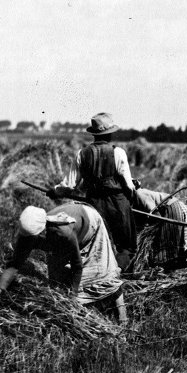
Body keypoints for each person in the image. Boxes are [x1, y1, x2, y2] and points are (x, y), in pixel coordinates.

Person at [0, 189, 128, 322]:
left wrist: (72, 297)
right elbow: (14, 265)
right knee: (57, 282)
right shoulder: (27, 233)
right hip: (65, 233)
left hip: (90, 223)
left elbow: (77, 265)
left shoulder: (62, 232)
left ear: (42, 232)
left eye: (33, 238)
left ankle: (121, 315)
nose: (29, 241)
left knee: (100, 274)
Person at [61, 112, 139, 267]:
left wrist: (55, 191)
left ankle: (98, 273)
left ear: (94, 134)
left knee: (97, 245)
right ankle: (119, 276)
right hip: (117, 204)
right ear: (110, 134)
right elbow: (128, 185)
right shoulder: (118, 152)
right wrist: (131, 197)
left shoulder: (82, 154)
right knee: (125, 247)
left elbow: (70, 185)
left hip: (93, 204)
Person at [133, 186, 187, 269]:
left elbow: (156, 215)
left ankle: (172, 264)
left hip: (172, 207)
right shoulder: (136, 197)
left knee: (170, 239)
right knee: (177, 240)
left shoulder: (139, 194)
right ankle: (176, 263)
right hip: (174, 206)